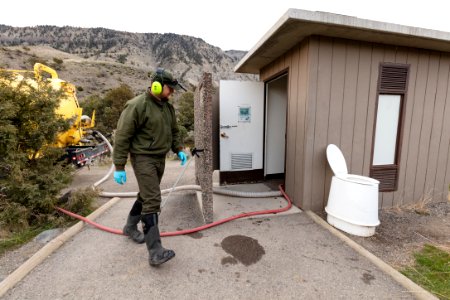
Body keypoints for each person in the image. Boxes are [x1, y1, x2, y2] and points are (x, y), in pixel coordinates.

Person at [113, 67, 187, 266]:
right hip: (143, 158)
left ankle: (129, 227)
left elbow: (174, 130)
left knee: (145, 196)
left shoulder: (167, 107)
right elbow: (122, 136)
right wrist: (119, 166)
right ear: (157, 85)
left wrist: (178, 148)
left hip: (159, 158)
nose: (172, 92)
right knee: (153, 200)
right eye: (170, 88)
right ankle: (155, 251)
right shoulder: (137, 105)